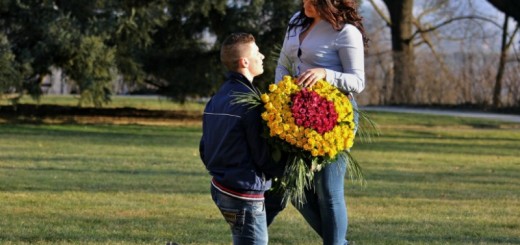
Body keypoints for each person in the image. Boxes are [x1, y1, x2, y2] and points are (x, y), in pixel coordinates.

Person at [274, 0, 368, 244]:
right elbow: (283, 63)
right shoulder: (296, 22)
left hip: (334, 119)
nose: (306, 3)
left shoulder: (346, 32)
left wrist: (325, 74)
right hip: (295, 115)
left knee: (328, 189)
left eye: (313, 1)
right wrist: (281, 97)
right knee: (294, 187)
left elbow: (357, 82)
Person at [199, 32, 284, 245]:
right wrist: (286, 170)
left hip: (220, 187)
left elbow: (204, 147)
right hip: (243, 192)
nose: (262, 56)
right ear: (244, 61)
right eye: (257, 52)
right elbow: (262, 155)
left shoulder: (217, 98)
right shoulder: (250, 103)